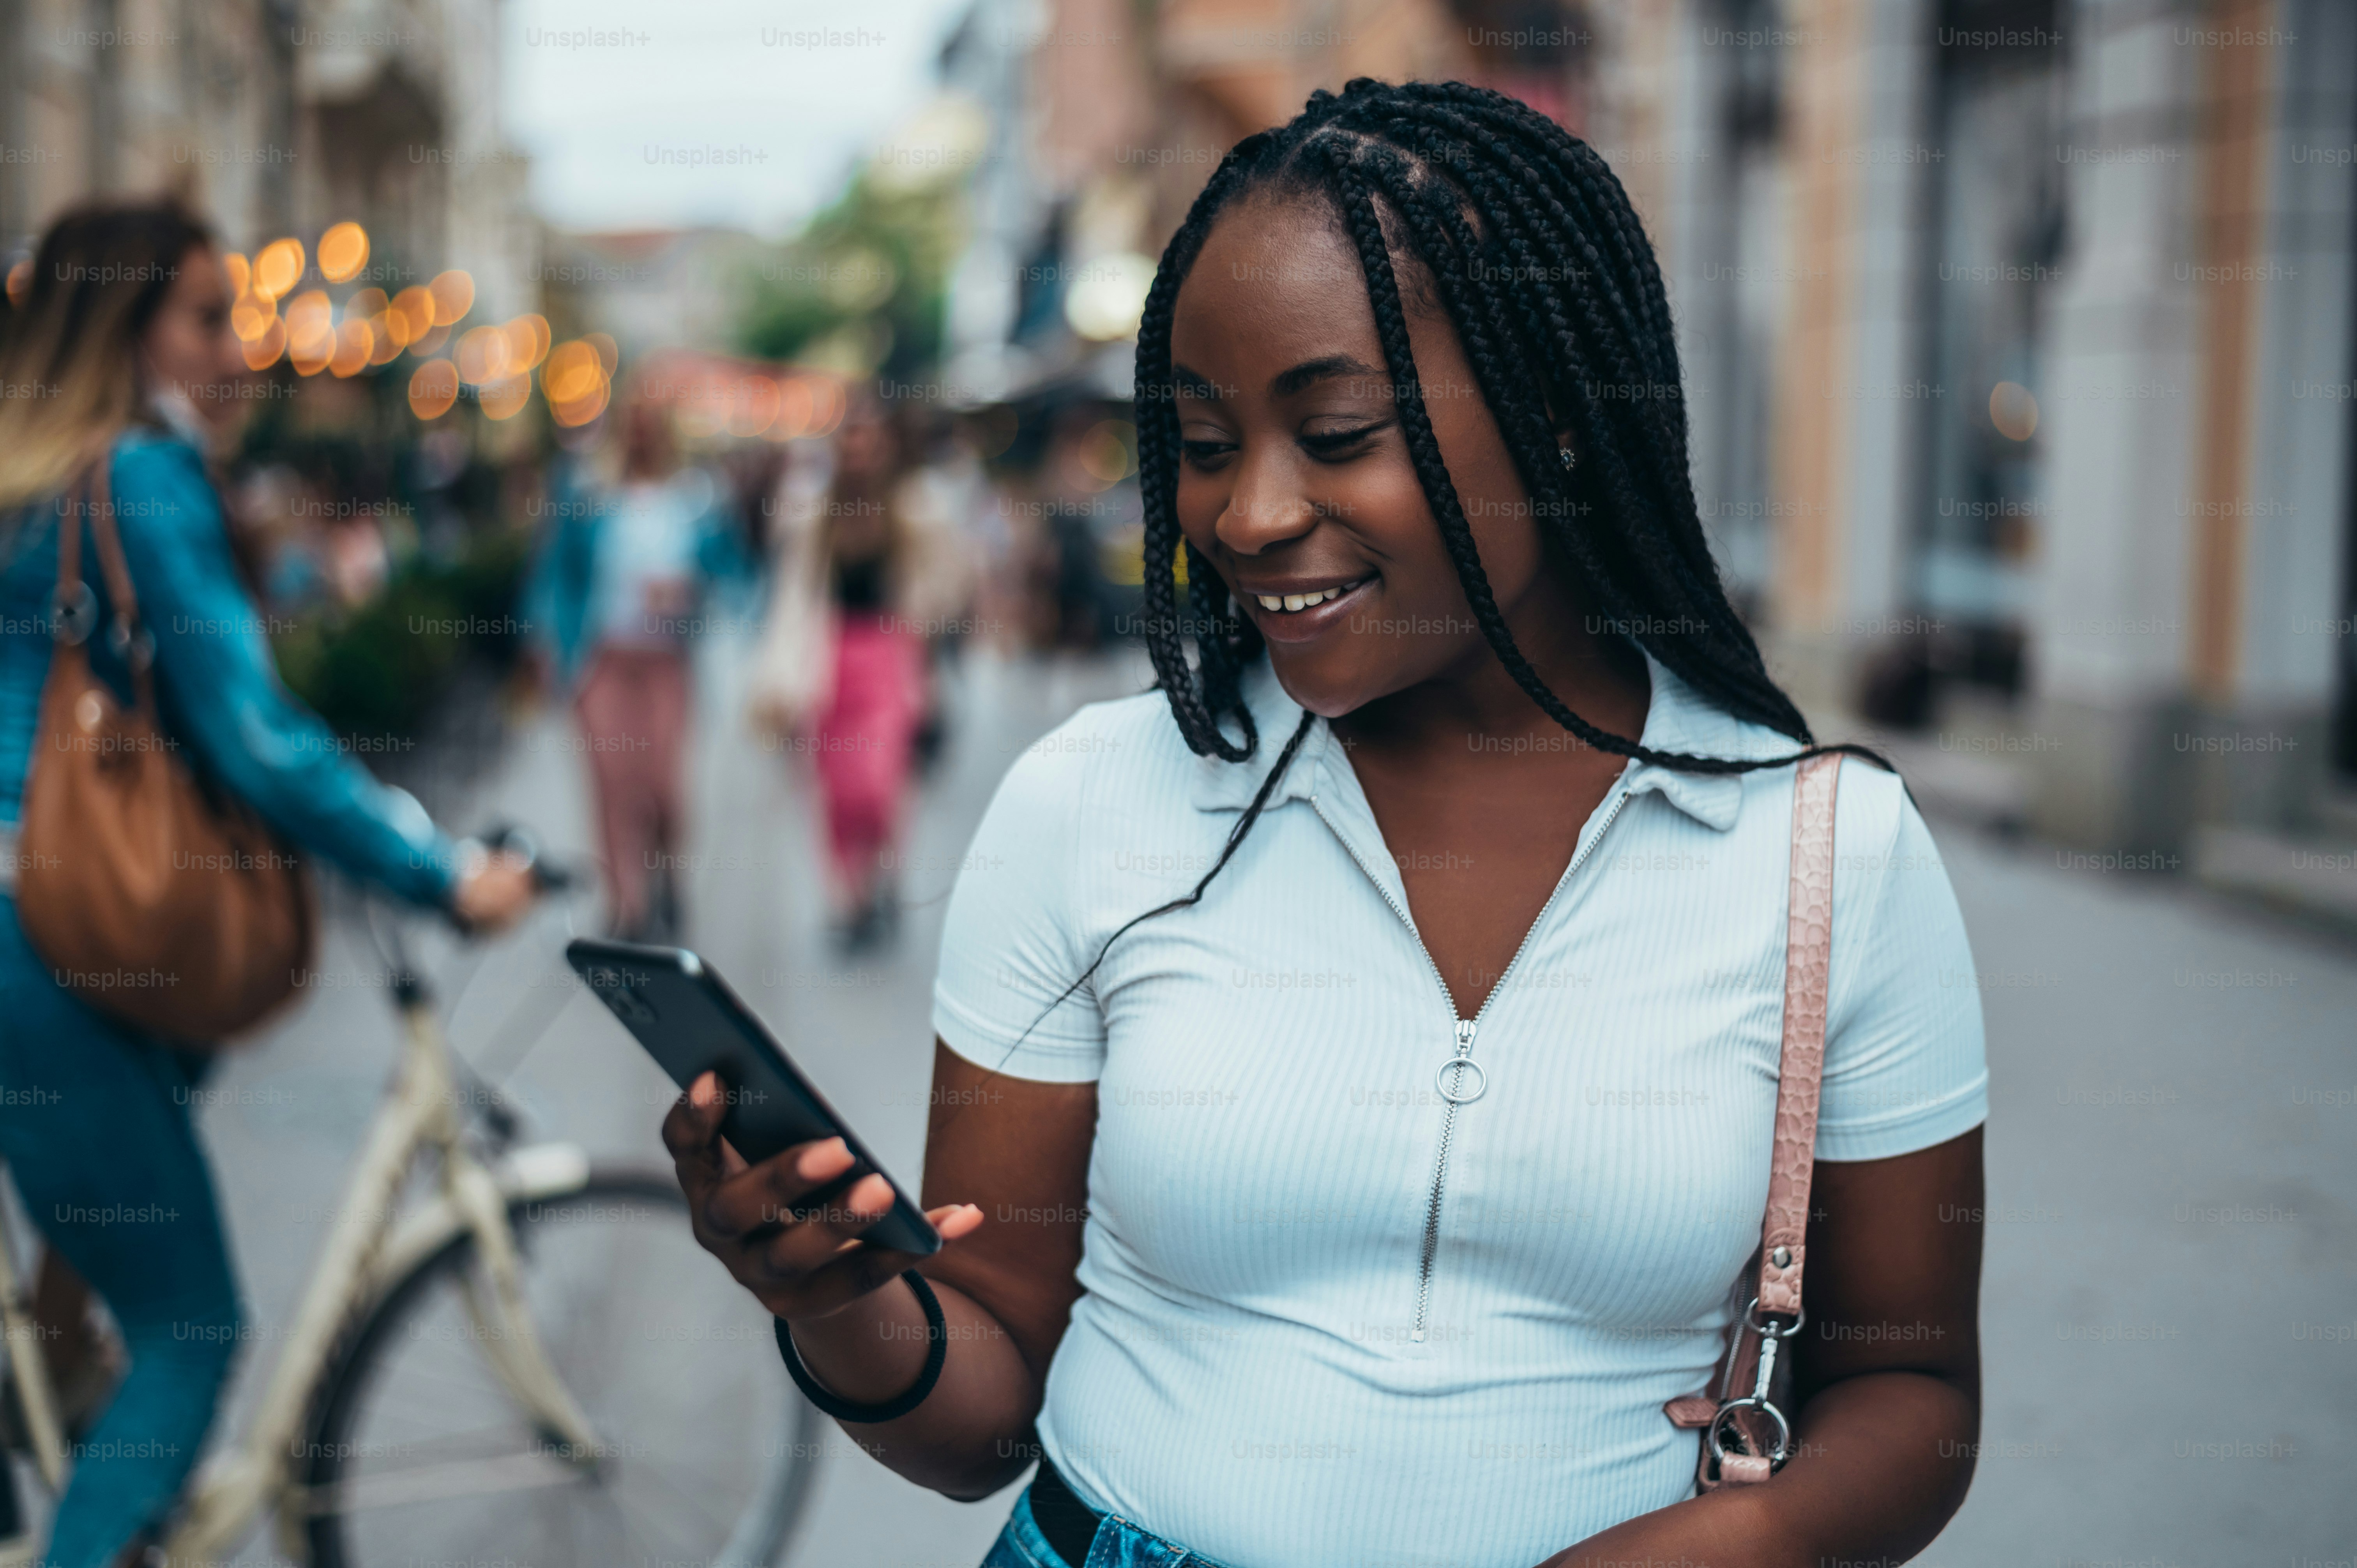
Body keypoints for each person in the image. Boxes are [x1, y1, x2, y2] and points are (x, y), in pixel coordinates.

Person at [667, 81, 1988, 1568]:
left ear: (1555, 419)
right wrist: (835, 1296)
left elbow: (1908, 1392)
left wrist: (1720, 1550)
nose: (1242, 516)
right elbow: (977, 1421)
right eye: (1206, 444)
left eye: (1337, 429)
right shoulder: (1093, 803)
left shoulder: (1826, 858)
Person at [0, 199, 535, 1568]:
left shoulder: (30, 476)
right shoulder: (138, 478)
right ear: (124, 330)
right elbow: (254, 730)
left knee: (83, 1294)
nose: (242, 349)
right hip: (44, 933)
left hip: (42, 933)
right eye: (207, 315)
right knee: (190, 1325)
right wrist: (436, 870)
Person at [747, 392, 968, 950]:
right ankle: (850, 898)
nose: (861, 455)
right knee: (835, 792)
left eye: (872, 444)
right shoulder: (811, 513)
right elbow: (789, 596)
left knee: (877, 783)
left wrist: (926, 620)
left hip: (890, 658)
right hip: (827, 659)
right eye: (852, 443)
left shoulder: (917, 510)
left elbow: (953, 579)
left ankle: (883, 875)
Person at [525, 385, 746, 942]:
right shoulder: (587, 489)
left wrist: (690, 590)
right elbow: (553, 571)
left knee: (664, 786)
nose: (642, 432)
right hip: (602, 661)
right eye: (634, 420)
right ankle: (628, 903)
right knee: (612, 783)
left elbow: (732, 570)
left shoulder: (697, 496)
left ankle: (668, 876)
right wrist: (546, 643)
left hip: (667, 664)